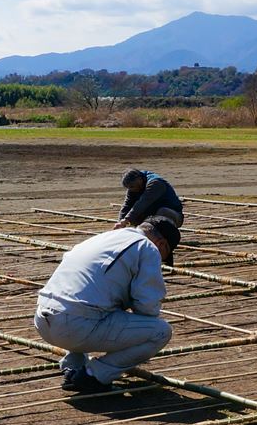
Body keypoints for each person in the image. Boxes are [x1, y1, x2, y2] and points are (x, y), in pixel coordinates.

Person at [34, 216, 180, 394]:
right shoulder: (147, 247)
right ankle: (93, 375)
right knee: (160, 331)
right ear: (162, 244)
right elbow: (147, 306)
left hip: (43, 319)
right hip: (75, 326)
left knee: (92, 301)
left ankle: (73, 366)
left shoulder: (105, 237)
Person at [114, 168, 183, 229]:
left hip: (173, 216)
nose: (132, 189)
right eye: (129, 188)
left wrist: (126, 220)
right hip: (152, 215)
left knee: (162, 211)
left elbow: (142, 203)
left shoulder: (155, 183)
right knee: (133, 217)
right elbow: (127, 205)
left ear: (139, 179)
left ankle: (162, 235)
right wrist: (120, 223)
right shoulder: (134, 187)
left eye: (132, 186)